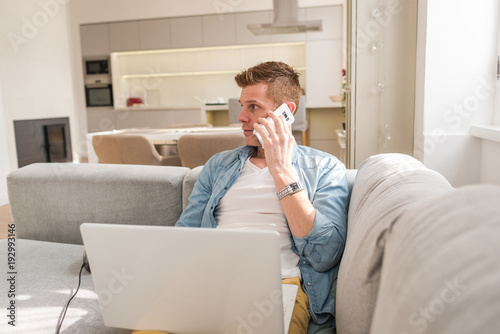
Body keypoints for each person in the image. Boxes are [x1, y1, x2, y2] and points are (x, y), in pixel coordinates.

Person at [174, 61, 349, 333]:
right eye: (242, 106)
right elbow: (184, 235)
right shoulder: (218, 165)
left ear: (285, 112)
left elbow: (325, 254)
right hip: (209, 283)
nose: (241, 116)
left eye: (253, 107)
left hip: (278, 286)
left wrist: (281, 171)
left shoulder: (325, 168)